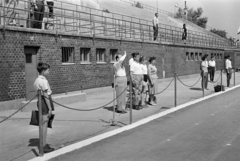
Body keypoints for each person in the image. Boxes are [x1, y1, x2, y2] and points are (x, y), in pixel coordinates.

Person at [33, 62, 54, 153]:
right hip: (45, 102)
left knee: (43, 124)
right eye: (48, 70)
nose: (49, 72)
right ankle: (44, 146)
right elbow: (45, 95)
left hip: (40, 101)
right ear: (43, 71)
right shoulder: (43, 81)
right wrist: (50, 108)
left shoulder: (37, 80)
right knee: (44, 125)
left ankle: (43, 144)